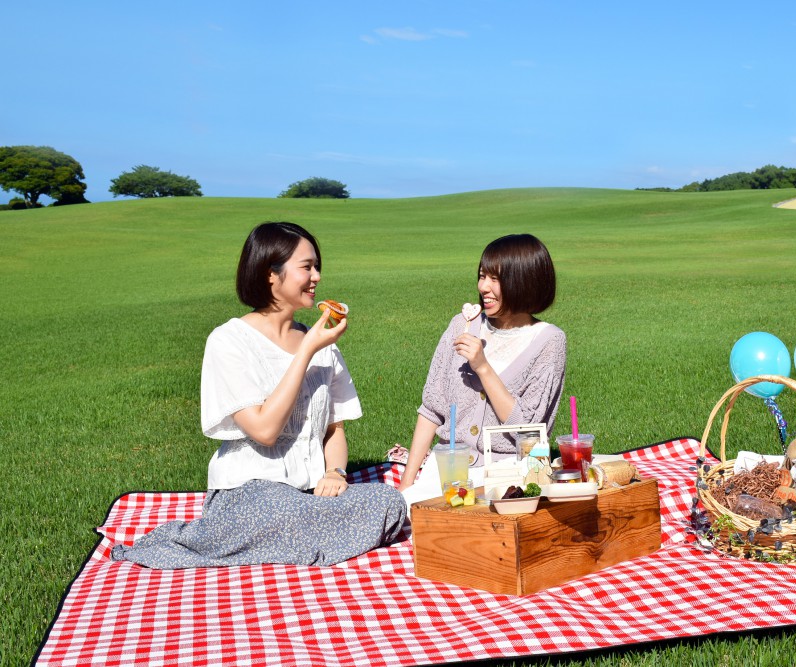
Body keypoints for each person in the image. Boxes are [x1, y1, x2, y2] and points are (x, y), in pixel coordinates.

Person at [112, 222, 407, 568]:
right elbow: (264, 430)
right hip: (250, 494)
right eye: (307, 267)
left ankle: (289, 544)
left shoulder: (321, 344)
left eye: (317, 266)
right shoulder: (229, 341)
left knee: (388, 502)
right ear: (271, 274)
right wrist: (306, 351)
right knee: (276, 510)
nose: (317, 277)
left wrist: (336, 473)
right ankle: (292, 541)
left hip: (309, 496)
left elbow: (334, 430)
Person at [399, 233, 566, 493]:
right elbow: (432, 409)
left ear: (524, 281)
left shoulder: (549, 341)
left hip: (509, 475)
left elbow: (528, 432)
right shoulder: (462, 325)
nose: (483, 287)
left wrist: (483, 367)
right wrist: (407, 484)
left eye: (495, 279)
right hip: (447, 470)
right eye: (481, 276)